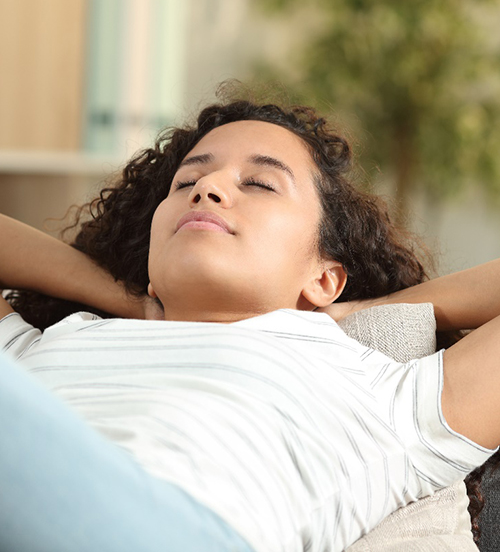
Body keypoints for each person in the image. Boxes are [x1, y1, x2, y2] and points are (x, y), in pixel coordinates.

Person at [1, 95, 499, 552]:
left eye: (260, 184)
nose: (208, 189)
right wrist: (116, 295)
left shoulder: (382, 395)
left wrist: (379, 307)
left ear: (325, 278)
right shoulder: (51, 344)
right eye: (186, 183)